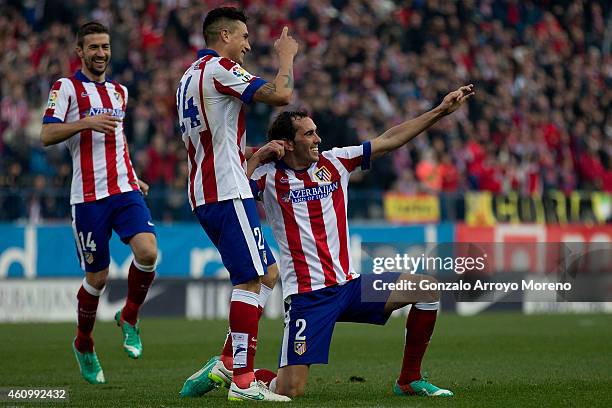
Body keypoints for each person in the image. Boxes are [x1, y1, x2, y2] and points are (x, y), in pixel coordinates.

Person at [184, 84, 475, 398]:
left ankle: (409, 380)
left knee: (427, 287)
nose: (317, 139)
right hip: (308, 298)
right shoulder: (267, 175)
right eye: (308, 134)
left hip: (351, 288)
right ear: (287, 143)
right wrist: (259, 155)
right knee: (290, 390)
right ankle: (234, 374)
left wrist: (440, 112)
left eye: (315, 132)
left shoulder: (335, 162)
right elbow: (235, 190)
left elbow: (388, 140)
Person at [175, 7, 297, 402]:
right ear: (224, 35)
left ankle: (228, 360)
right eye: (243, 37)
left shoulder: (186, 79)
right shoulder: (219, 68)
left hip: (209, 189)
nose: (247, 45)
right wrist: (287, 57)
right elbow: (281, 95)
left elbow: (214, 144)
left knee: (269, 274)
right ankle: (243, 380)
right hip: (227, 191)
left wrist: (256, 154)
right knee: (247, 281)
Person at [40, 22, 158, 384]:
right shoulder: (66, 87)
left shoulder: (120, 92)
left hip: (123, 189)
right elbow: (46, 133)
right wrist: (85, 122)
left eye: (105, 47)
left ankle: (130, 317)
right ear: (80, 51)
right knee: (98, 277)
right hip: (88, 198)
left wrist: (131, 174)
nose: (101, 53)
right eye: (93, 47)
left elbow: (117, 140)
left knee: (148, 253)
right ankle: (84, 343)